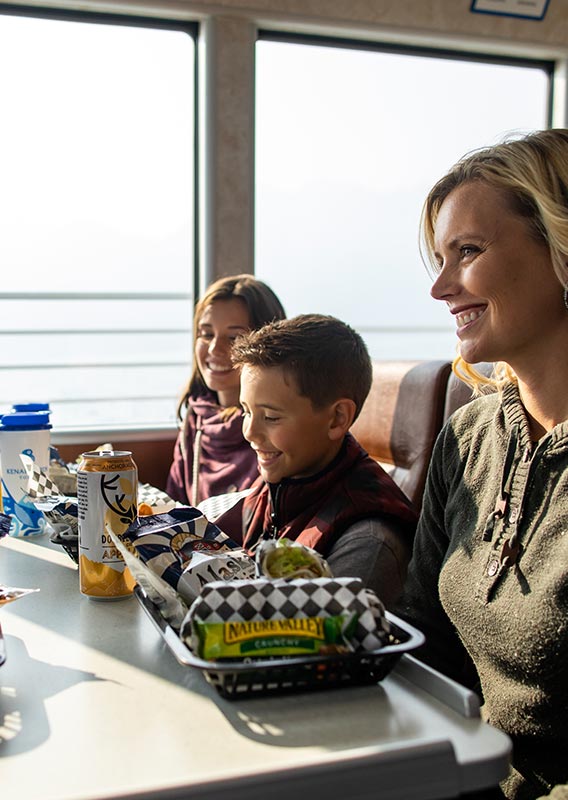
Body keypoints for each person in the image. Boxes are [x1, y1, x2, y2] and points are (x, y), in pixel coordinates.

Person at [396, 129, 568, 800]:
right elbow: (424, 641)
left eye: (468, 252)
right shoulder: (469, 436)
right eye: (440, 258)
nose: (441, 286)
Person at [216, 313, 418, 605]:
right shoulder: (283, 484)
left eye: (271, 417)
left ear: (337, 419)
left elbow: (320, 645)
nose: (249, 432)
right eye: (246, 411)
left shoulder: (368, 543)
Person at [166, 274, 285, 506]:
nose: (215, 348)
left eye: (234, 337)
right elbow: (173, 508)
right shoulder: (196, 416)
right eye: (207, 333)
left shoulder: (275, 432)